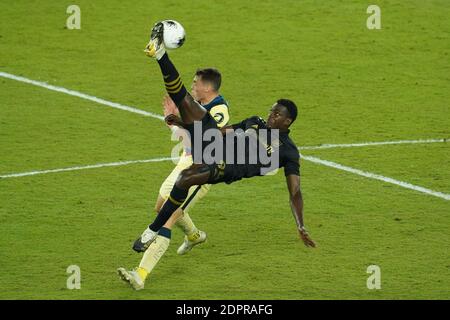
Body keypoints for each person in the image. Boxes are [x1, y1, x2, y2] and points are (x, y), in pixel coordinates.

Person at [118, 22, 316, 290]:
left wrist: (301, 225)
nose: (270, 116)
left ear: (288, 121)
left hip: (226, 166)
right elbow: (222, 132)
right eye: (271, 111)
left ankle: (151, 238)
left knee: (185, 179)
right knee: (187, 102)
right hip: (215, 144)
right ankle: (161, 53)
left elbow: (295, 192)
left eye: (277, 115)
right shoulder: (257, 121)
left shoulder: (289, 152)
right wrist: (183, 122)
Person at [145, 67, 230, 256]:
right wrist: (173, 120)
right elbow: (185, 137)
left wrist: (173, 121)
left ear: (207, 88)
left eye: (195, 83)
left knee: (167, 216)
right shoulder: (196, 105)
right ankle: (194, 235)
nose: (191, 86)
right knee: (160, 207)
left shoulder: (218, 109)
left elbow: (201, 138)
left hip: (204, 167)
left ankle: (141, 273)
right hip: (188, 159)